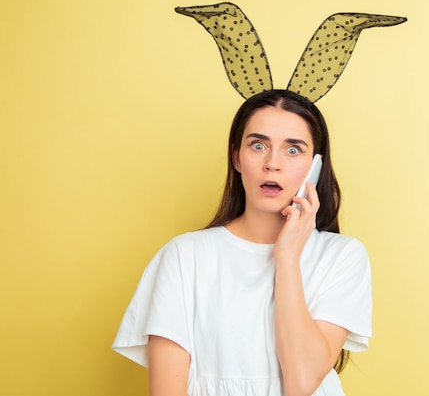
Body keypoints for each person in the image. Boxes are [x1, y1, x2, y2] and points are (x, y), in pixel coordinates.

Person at [112, 89, 372, 396]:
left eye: (293, 150)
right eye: (258, 145)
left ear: (316, 165)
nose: (272, 163)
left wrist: (287, 257)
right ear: (237, 157)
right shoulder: (185, 256)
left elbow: (302, 383)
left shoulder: (342, 257)